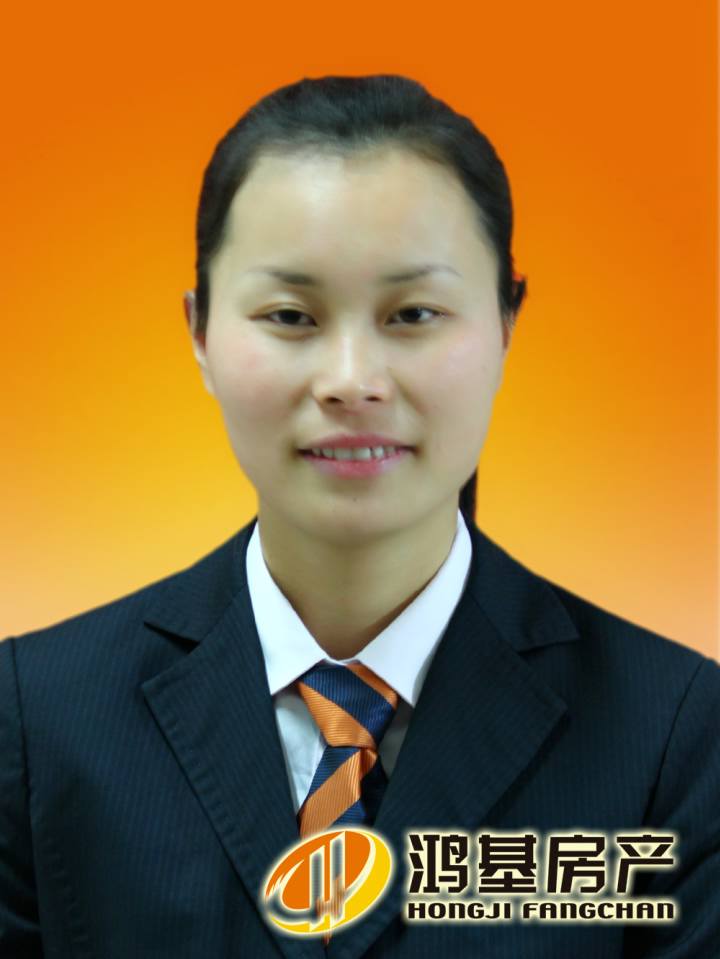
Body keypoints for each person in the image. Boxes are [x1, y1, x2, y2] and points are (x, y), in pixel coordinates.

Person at [0, 73, 718, 958]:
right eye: (290, 315)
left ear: (506, 324)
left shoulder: (674, 734)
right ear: (200, 334)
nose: (352, 379)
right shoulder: (39, 719)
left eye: (412, 313)